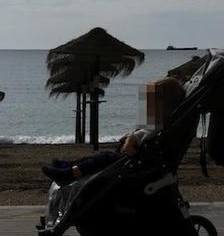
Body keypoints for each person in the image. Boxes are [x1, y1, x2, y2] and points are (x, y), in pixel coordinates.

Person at [42, 77, 185, 185]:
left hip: (136, 162)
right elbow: (145, 133)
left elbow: (146, 134)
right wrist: (131, 136)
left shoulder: (160, 124)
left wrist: (132, 138)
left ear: (164, 104)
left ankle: (68, 174)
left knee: (102, 159)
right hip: (136, 158)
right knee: (100, 156)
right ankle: (69, 166)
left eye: (152, 100)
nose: (148, 104)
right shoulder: (162, 122)